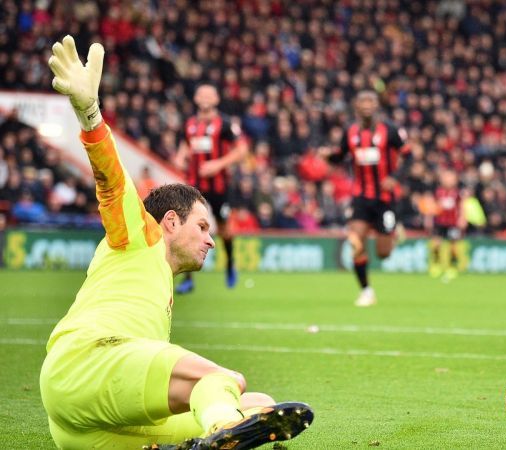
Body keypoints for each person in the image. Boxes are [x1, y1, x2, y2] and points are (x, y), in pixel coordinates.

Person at [40, 36, 313, 450]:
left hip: (84, 426)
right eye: (202, 227)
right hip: (88, 365)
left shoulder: (157, 277)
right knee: (223, 381)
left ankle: (212, 433)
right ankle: (221, 433)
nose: (211, 240)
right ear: (170, 221)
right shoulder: (139, 235)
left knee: (258, 404)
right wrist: (90, 114)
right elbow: (111, 181)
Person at [328, 90, 407, 307]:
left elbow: (408, 155)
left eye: (370, 101)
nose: (366, 105)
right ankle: (366, 291)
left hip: (385, 199)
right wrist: (328, 155)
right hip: (360, 197)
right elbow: (339, 155)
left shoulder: (390, 130)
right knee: (355, 241)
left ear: (377, 105)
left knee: (383, 254)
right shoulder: (350, 132)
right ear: (356, 106)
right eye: (362, 101)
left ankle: (392, 232)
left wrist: (394, 177)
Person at [173, 84, 248, 293]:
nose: (205, 97)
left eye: (209, 94)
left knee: (224, 228)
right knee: (187, 227)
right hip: (193, 187)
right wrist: (180, 157)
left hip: (219, 187)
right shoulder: (189, 124)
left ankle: (230, 263)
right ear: (196, 98)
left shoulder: (224, 124)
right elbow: (185, 146)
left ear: (216, 99)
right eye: (201, 94)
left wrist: (218, 164)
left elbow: (242, 150)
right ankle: (187, 278)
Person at [428, 169, 466, 282]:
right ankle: (436, 264)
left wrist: (462, 218)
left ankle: (452, 267)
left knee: (453, 246)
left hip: (452, 223)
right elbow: (432, 206)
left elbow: (462, 206)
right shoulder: (438, 192)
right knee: (436, 244)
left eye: (451, 178)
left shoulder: (458, 193)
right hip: (439, 222)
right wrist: (429, 219)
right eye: (446, 178)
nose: (448, 180)